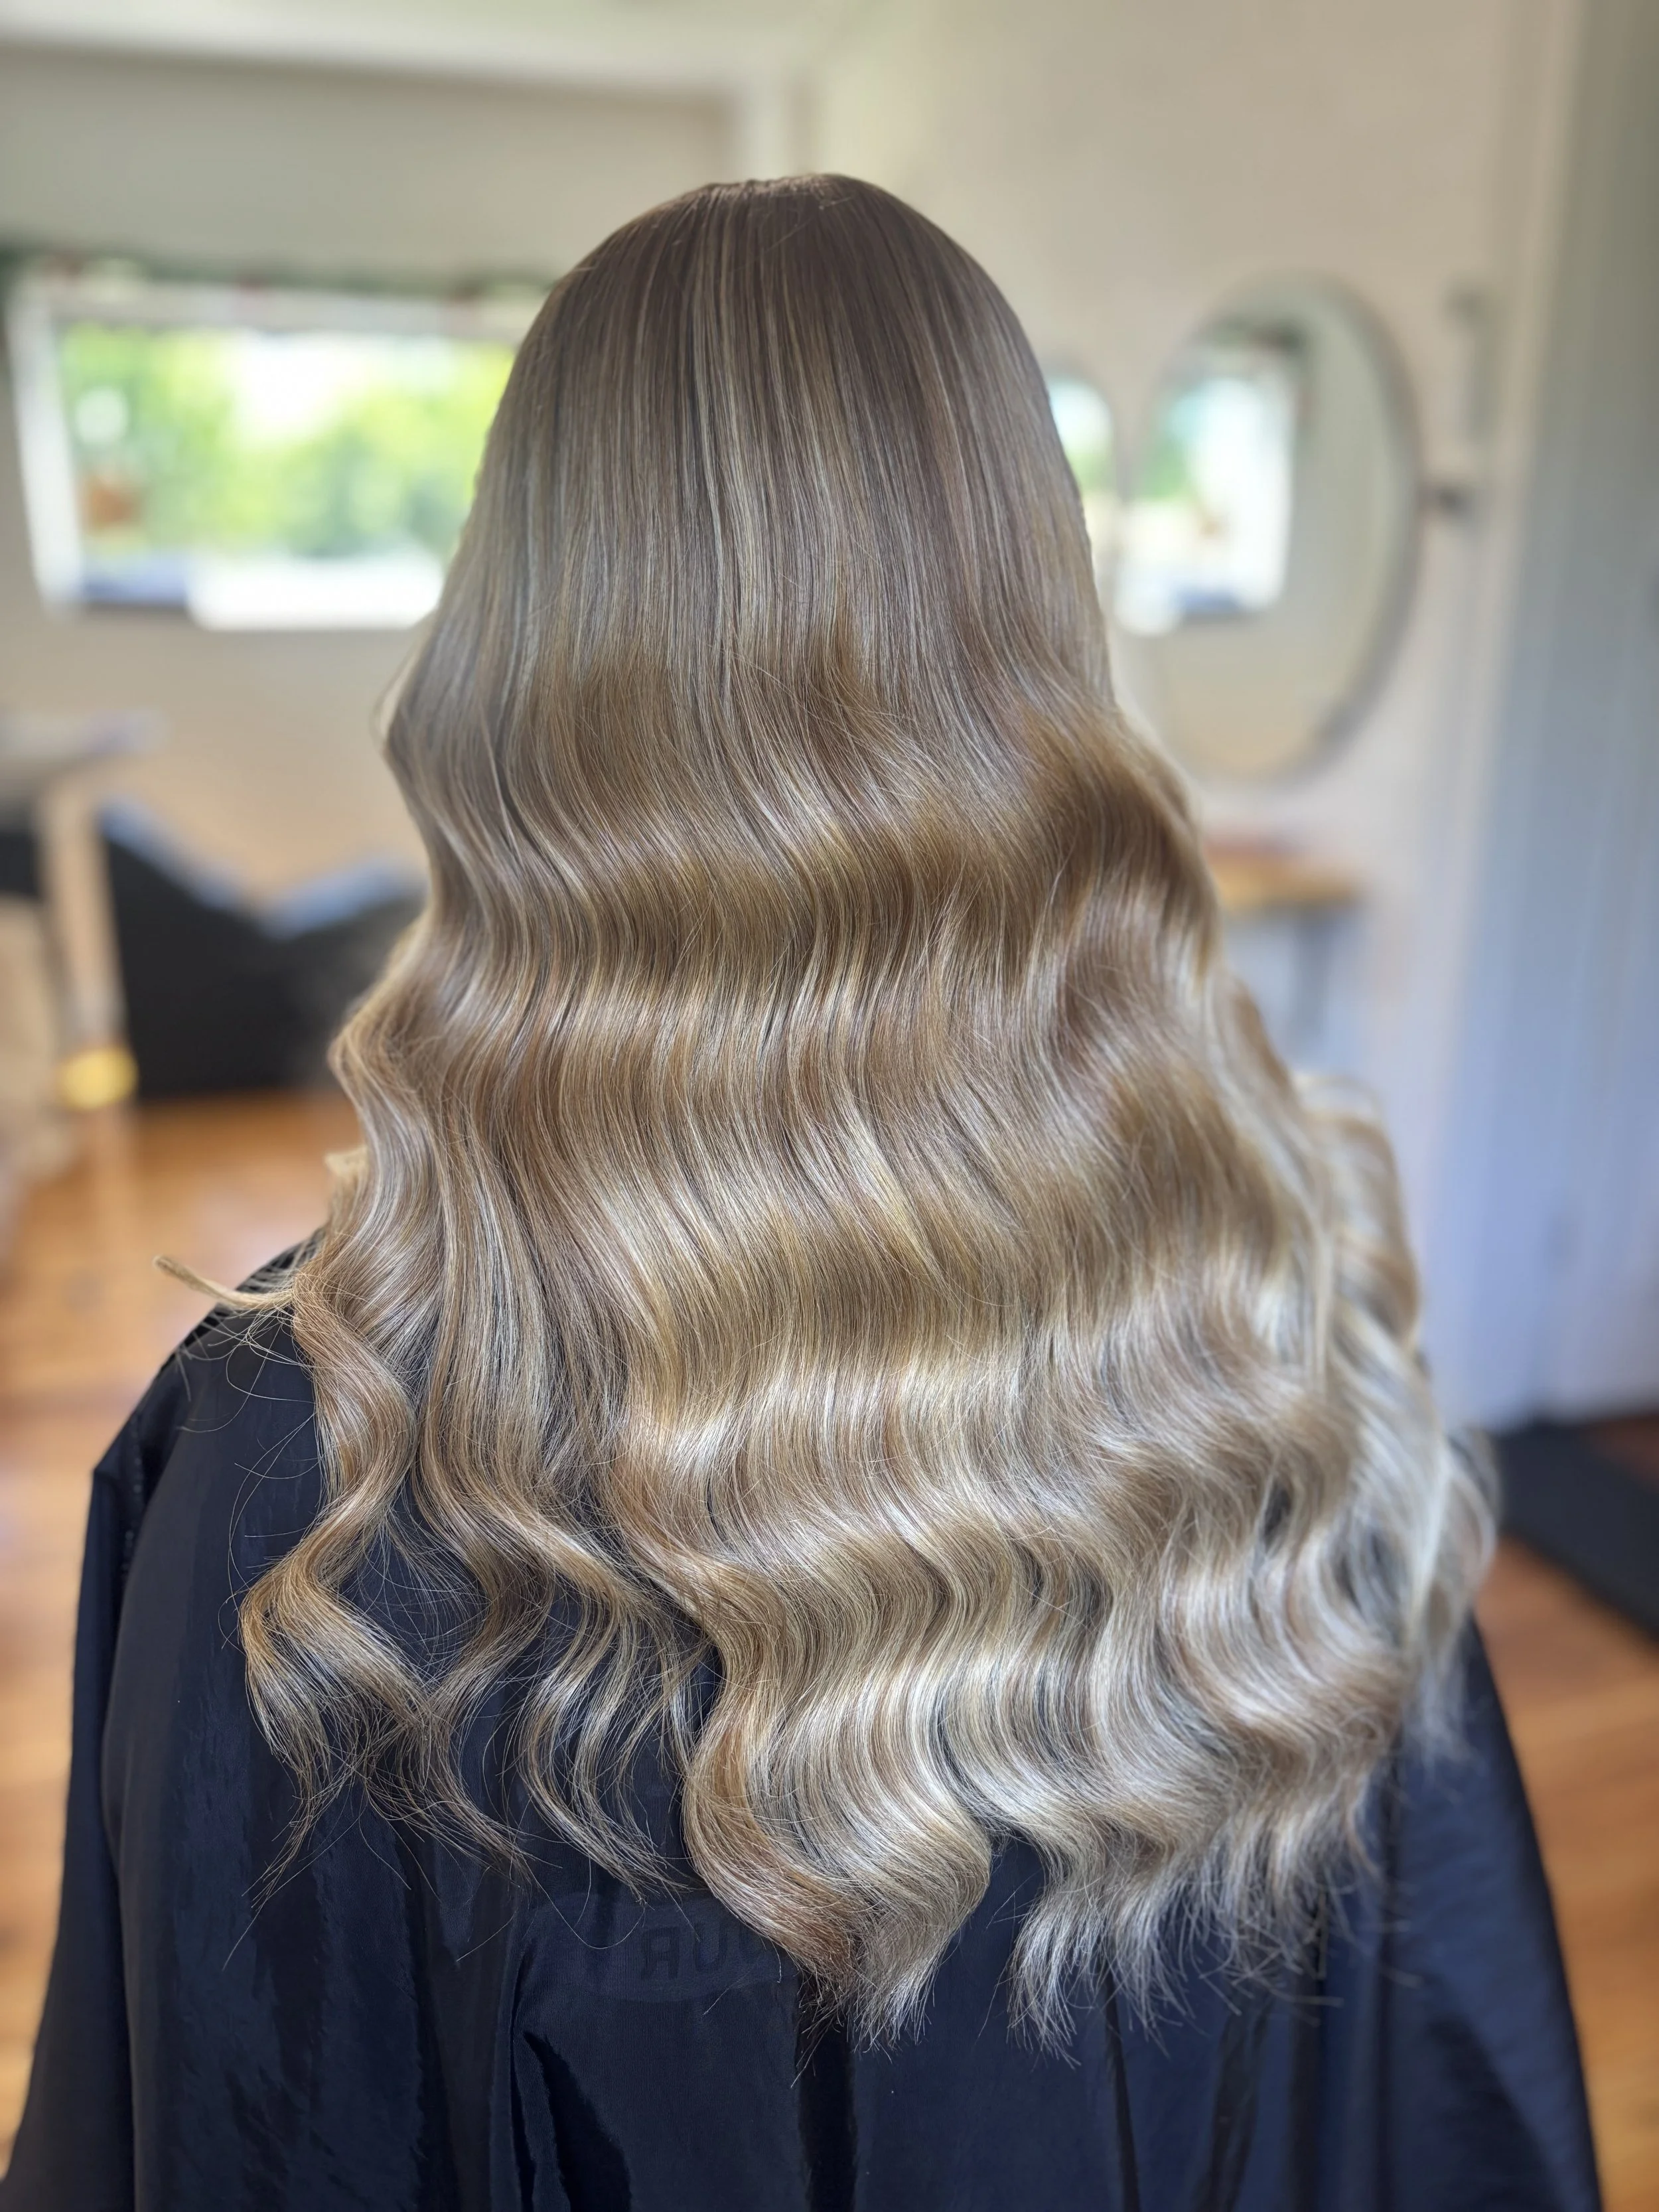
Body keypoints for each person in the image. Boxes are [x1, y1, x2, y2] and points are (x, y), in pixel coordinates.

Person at [2, 177, 1599, 2212]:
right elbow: (1439, 2093)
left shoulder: (300, 1483)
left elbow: (229, 2132)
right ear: (1032, 637)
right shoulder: (1269, 1342)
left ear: (519, 659)